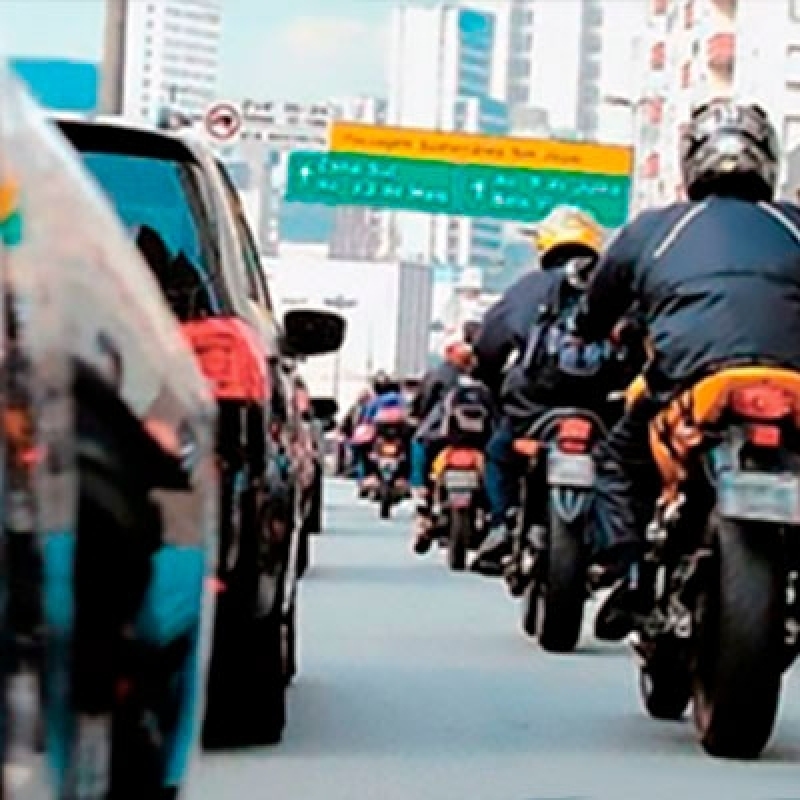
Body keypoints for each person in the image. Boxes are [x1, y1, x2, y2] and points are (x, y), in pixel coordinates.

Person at [570, 99, 800, 639]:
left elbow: (595, 311)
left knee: (619, 460)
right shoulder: (791, 225)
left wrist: (598, 329)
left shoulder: (657, 229)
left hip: (688, 378)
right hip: (791, 381)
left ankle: (627, 576)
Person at [471, 207, 606, 575]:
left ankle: (503, 523)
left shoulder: (525, 289)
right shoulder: (614, 286)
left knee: (500, 454)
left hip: (534, 404)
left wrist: (491, 379)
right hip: (602, 405)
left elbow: (487, 346)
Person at [409, 336, 477, 552]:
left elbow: (422, 405)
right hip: (476, 439)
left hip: (439, 435)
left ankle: (421, 494)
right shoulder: (481, 379)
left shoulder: (437, 376)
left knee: (418, 445)